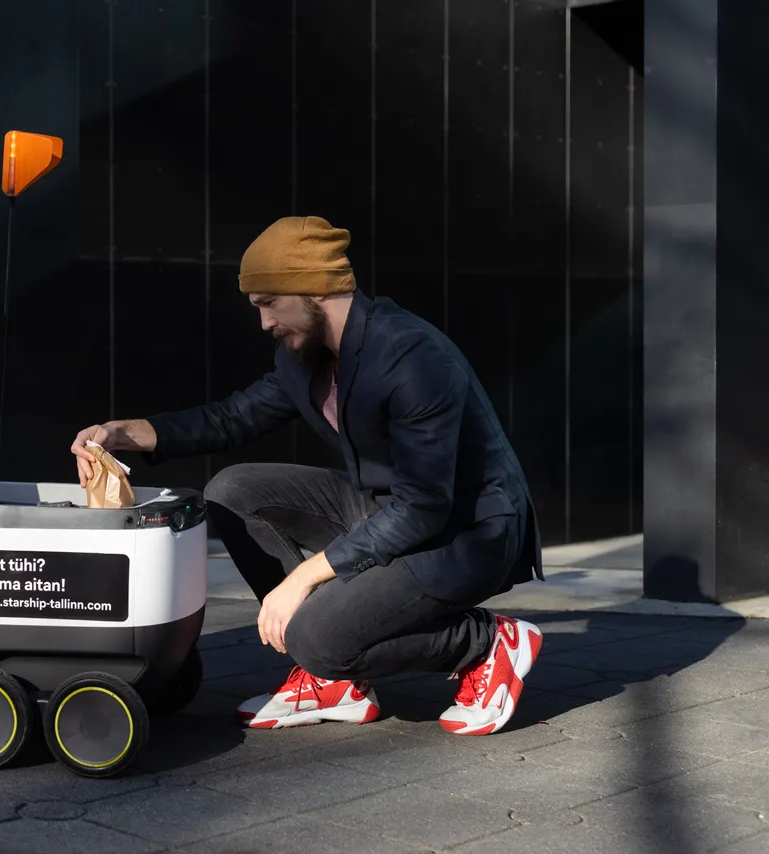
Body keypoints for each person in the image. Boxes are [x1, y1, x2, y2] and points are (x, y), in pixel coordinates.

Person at [70, 215, 545, 736]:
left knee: (315, 635)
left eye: (269, 303)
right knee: (232, 492)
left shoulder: (411, 356)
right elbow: (231, 418)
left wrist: (304, 576)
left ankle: (482, 644)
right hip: (389, 511)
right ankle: (334, 676)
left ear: (311, 288)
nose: (265, 322)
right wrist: (120, 434)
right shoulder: (305, 356)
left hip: (468, 532)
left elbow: (426, 505)